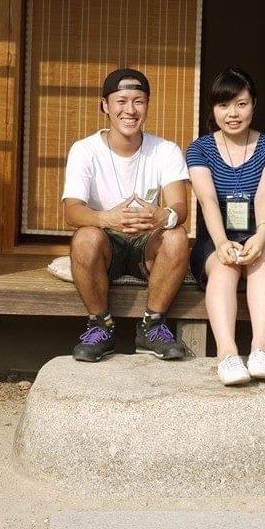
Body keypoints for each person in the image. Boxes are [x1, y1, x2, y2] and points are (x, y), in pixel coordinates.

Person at [62, 68, 190, 362]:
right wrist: (107, 219)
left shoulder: (166, 150)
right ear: (105, 106)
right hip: (107, 244)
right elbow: (72, 211)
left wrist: (163, 216)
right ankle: (100, 325)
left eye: (138, 101)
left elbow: (179, 207)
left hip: (147, 243)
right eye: (121, 101)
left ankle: (152, 325)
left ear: (147, 106)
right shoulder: (84, 150)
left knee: (177, 236)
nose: (130, 110)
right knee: (85, 237)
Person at [186, 67, 265, 386]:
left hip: (259, 229)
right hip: (215, 235)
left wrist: (263, 233)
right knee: (224, 267)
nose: (233, 113)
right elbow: (207, 201)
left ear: (254, 104)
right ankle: (227, 355)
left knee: (262, 257)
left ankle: (260, 349)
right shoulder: (200, 149)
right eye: (224, 105)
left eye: (241, 104)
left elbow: (264, 194)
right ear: (213, 109)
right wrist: (220, 243)